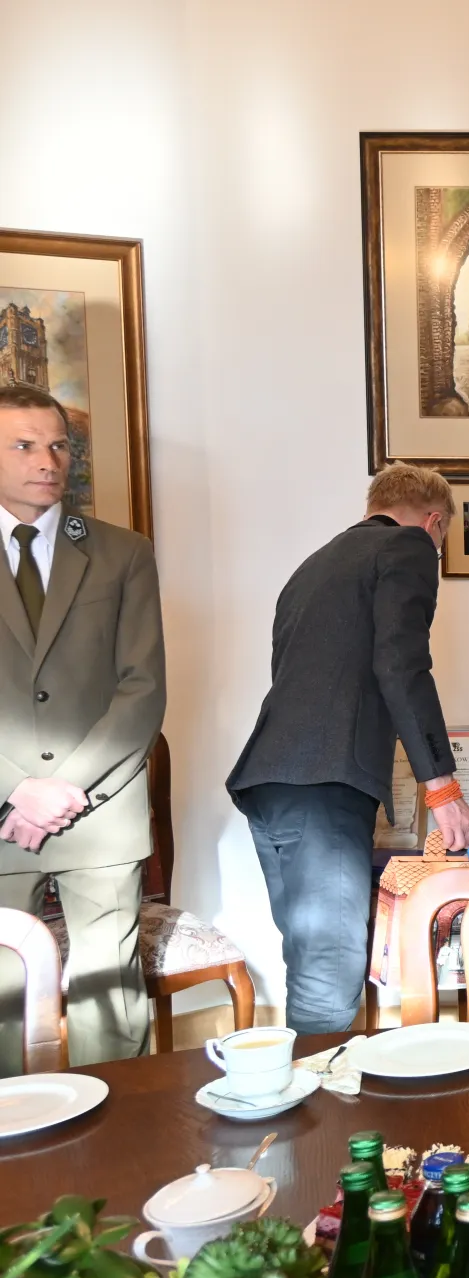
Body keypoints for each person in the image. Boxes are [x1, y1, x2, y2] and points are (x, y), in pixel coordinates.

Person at [227, 462, 469, 1034]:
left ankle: (302, 1087)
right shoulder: (408, 547)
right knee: (329, 974)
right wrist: (442, 788)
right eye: (442, 540)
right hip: (323, 785)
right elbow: (402, 666)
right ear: (433, 523)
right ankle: (327, 1095)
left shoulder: (314, 564)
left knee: (311, 962)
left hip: (270, 781)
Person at [0, 384, 165, 1073]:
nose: (48, 461)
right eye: (24, 445)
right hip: (3, 814)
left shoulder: (123, 553)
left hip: (98, 811)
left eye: (58, 445)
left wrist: (64, 787)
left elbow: (142, 688)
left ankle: (119, 1130)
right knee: (4, 997)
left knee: (109, 1000)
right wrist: (17, 790)